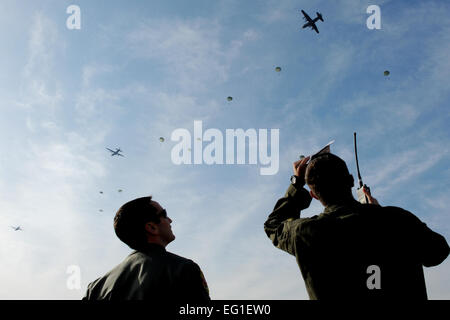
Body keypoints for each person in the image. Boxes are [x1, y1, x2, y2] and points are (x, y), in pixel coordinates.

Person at [264, 153, 449, 299]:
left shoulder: (304, 232)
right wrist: (380, 212)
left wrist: (296, 184)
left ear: (313, 195)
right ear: (351, 180)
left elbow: (273, 225)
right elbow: (438, 252)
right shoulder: (399, 219)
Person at [83, 196, 210, 300]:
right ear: (152, 227)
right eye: (164, 215)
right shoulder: (182, 269)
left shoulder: (94, 289)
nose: (170, 220)